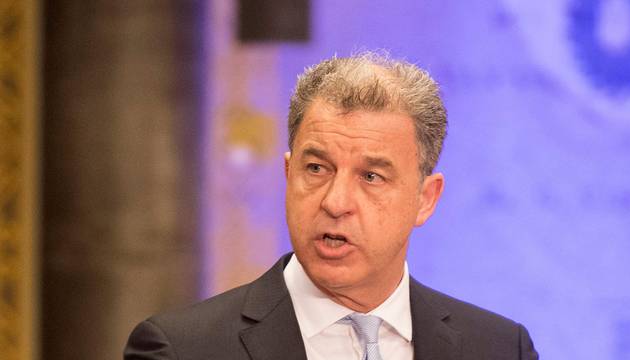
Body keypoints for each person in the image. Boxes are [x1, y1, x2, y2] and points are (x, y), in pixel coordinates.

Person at [124, 52, 539, 360]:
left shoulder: (500, 348)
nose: (336, 202)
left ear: (425, 199)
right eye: (317, 168)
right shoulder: (181, 350)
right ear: (288, 175)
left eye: (371, 176)